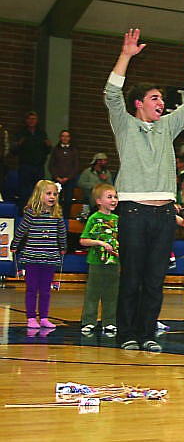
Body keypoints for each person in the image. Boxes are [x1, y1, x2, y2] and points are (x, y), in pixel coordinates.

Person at [105, 28, 184, 352]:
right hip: (133, 211)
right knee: (132, 276)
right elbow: (110, 95)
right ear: (139, 104)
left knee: (154, 280)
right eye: (155, 98)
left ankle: (147, 333)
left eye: (162, 99)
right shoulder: (125, 125)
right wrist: (126, 55)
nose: (161, 103)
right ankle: (127, 334)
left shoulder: (166, 127)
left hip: (164, 214)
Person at [10, 180, 66, 329]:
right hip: (33, 257)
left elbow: (61, 232)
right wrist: (14, 244)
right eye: (48, 193)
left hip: (50, 257)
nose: (52, 197)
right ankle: (31, 318)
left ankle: (44, 317)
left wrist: (63, 246)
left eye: (54, 194)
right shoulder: (31, 213)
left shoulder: (57, 215)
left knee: (46, 290)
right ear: (39, 195)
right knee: (32, 289)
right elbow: (22, 229)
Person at [79, 183, 120, 336]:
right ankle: (89, 321)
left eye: (115, 196)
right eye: (109, 197)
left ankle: (109, 322)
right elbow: (83, 240)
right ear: (98, 201)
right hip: (96, 262)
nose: (114, 200)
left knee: (112, 294)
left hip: (114, 263)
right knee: (93, 293)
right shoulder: (94, 218)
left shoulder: (117, 219)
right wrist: (100, 243)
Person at [13, 111, 51, 206]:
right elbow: (13, 151)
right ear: (26, 120)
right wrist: (18, 145)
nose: (31, 121)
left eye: (33, 119)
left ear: (37, 121)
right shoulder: (21, 133)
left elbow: (47, 150)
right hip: (25, 166)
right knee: (24, 192)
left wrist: (48, 146)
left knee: (39, 191)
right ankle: (23, 213)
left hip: (38, 166)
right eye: (29, 119)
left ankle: (37, 211)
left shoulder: (41, 133)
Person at [48, 130, 80, 218]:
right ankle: (54, 216)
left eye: (67, 136)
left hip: (69, 180)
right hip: (57, 180)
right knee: (54, 199)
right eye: (63, 136)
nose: (65, 138)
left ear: (69, 138)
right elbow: (51, 165)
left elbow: (76, 166)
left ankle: (65, 218)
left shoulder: (73, 150)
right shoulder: (56, 149)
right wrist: (56, 177)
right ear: (60, 137)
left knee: (68, 200)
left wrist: (68, 177)